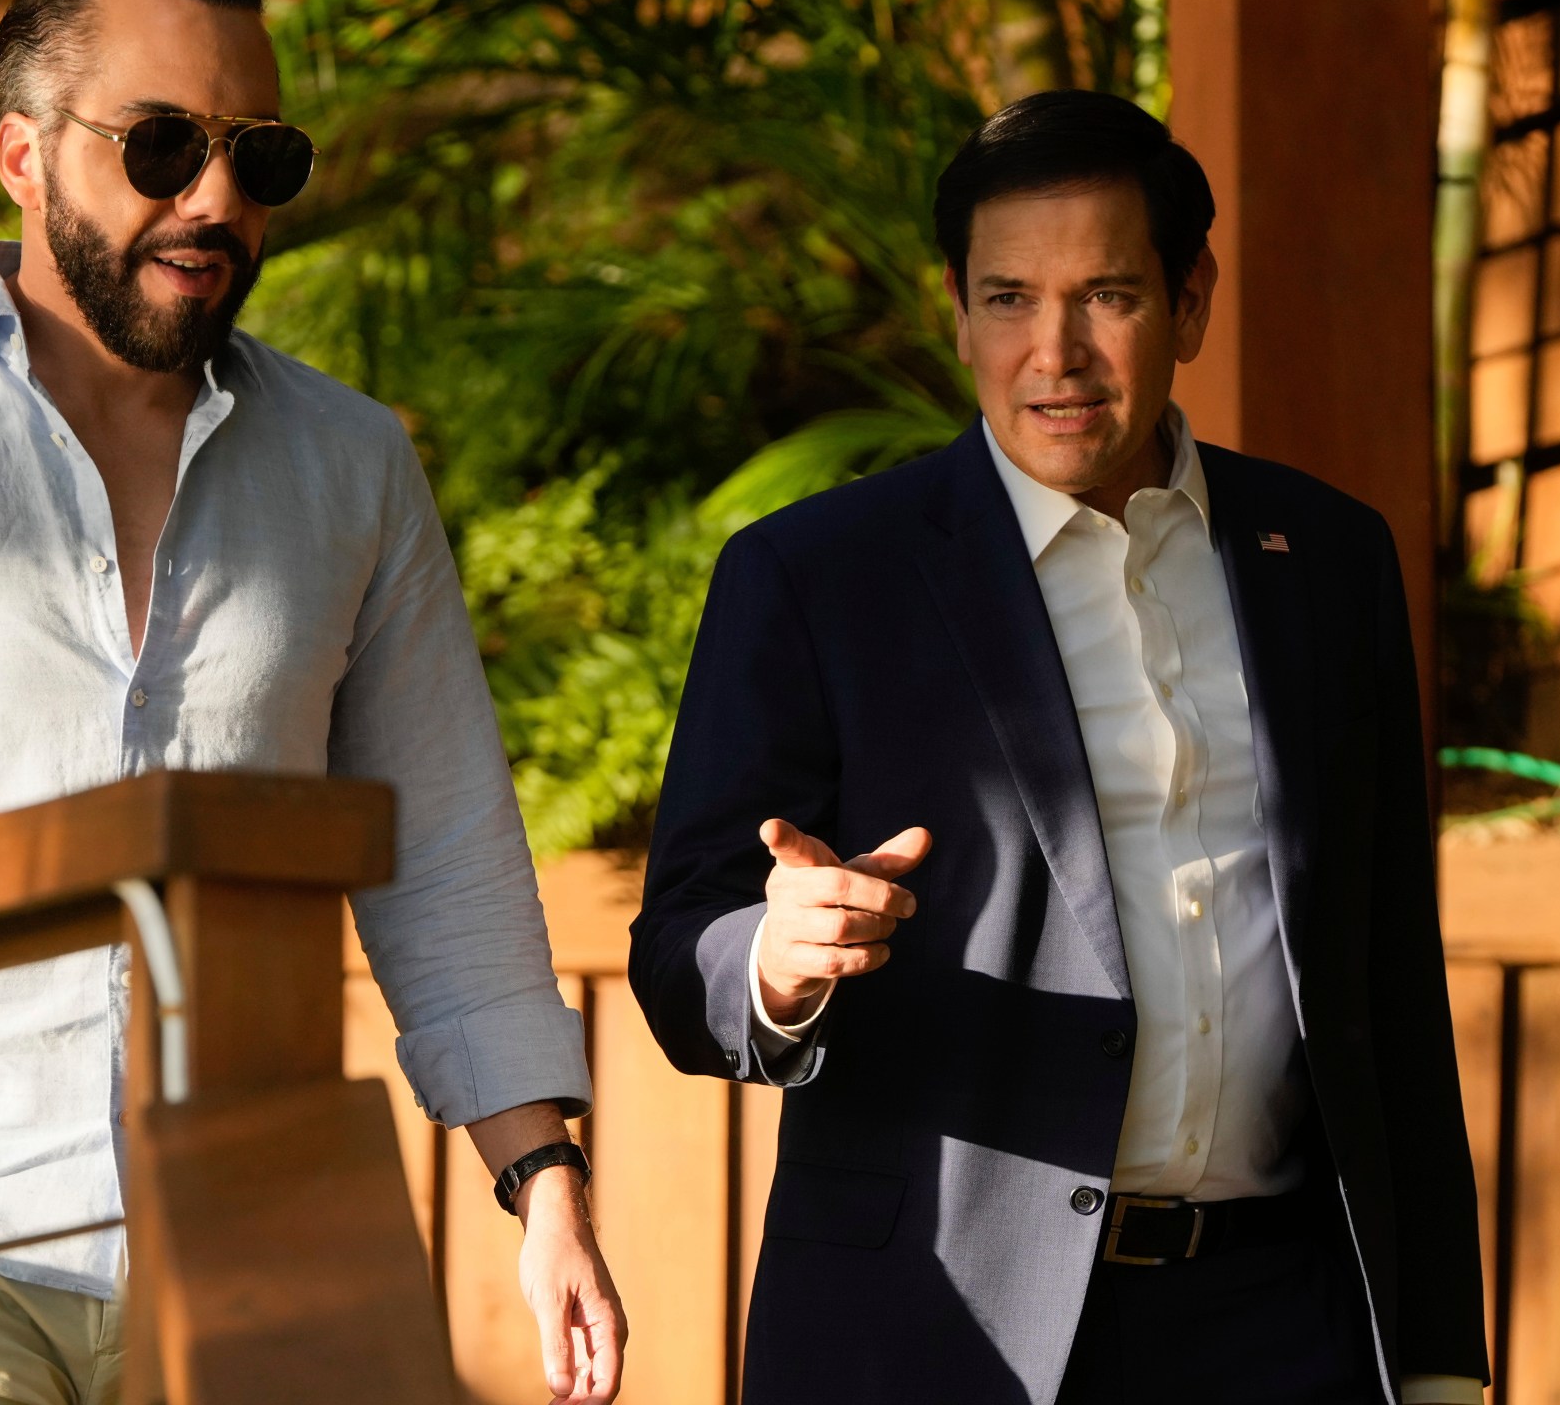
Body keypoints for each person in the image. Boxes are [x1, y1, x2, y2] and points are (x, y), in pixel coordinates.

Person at [0, 0, 626, 1402]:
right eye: (162, 145)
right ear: (24, 155)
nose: (215, 199)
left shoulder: (353, 470)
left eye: (257, 156)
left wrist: (545, 1186)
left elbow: (448, 855)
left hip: (255, 1235)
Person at [629, 89, 1489, 1405]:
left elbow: (1387, 970)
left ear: (1190, 300)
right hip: (942, 1333)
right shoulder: (816, 577)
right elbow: (681, 938)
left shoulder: (1328, 559)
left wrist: (1432, 1355)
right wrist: (774, 961)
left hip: (1285, 1325)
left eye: (1108, 295)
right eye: (1010, 299)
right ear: (959, 312)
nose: (1057, 354)